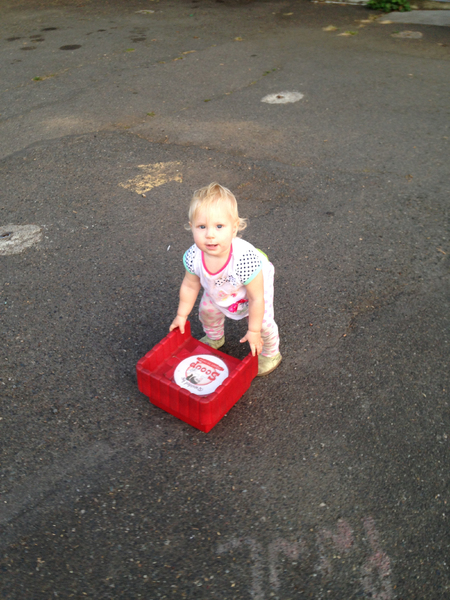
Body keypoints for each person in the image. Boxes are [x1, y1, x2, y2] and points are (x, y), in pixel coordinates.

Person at [169, 183, 282, 376]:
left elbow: (256, 298)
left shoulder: (245, 260)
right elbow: (189, 285)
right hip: (221, 289)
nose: (210, 235)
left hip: (253, 285)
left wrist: (253, 331)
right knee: (207, 310)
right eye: (202, 227)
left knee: (262, 322)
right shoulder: (194, 256)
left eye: (219, 226)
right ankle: (215, 338)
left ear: (234, 228)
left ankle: (271, 353)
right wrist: (181, 315)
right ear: (191, 227)